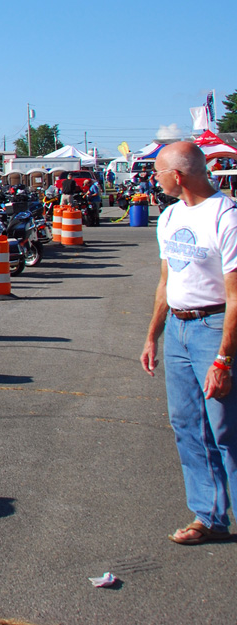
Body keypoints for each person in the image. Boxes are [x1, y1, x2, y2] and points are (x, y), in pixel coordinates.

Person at [141, 140, 237, 546]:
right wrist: (152, 336)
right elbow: (167, 283)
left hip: (214, 329)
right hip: (179, 331)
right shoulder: (168, 217)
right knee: (188, 426)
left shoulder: (226, 216)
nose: (154, 178)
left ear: (177, 176)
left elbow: (235, 296)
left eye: (158, 172)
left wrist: (223, 359)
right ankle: (209, 515)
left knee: (226, 429)